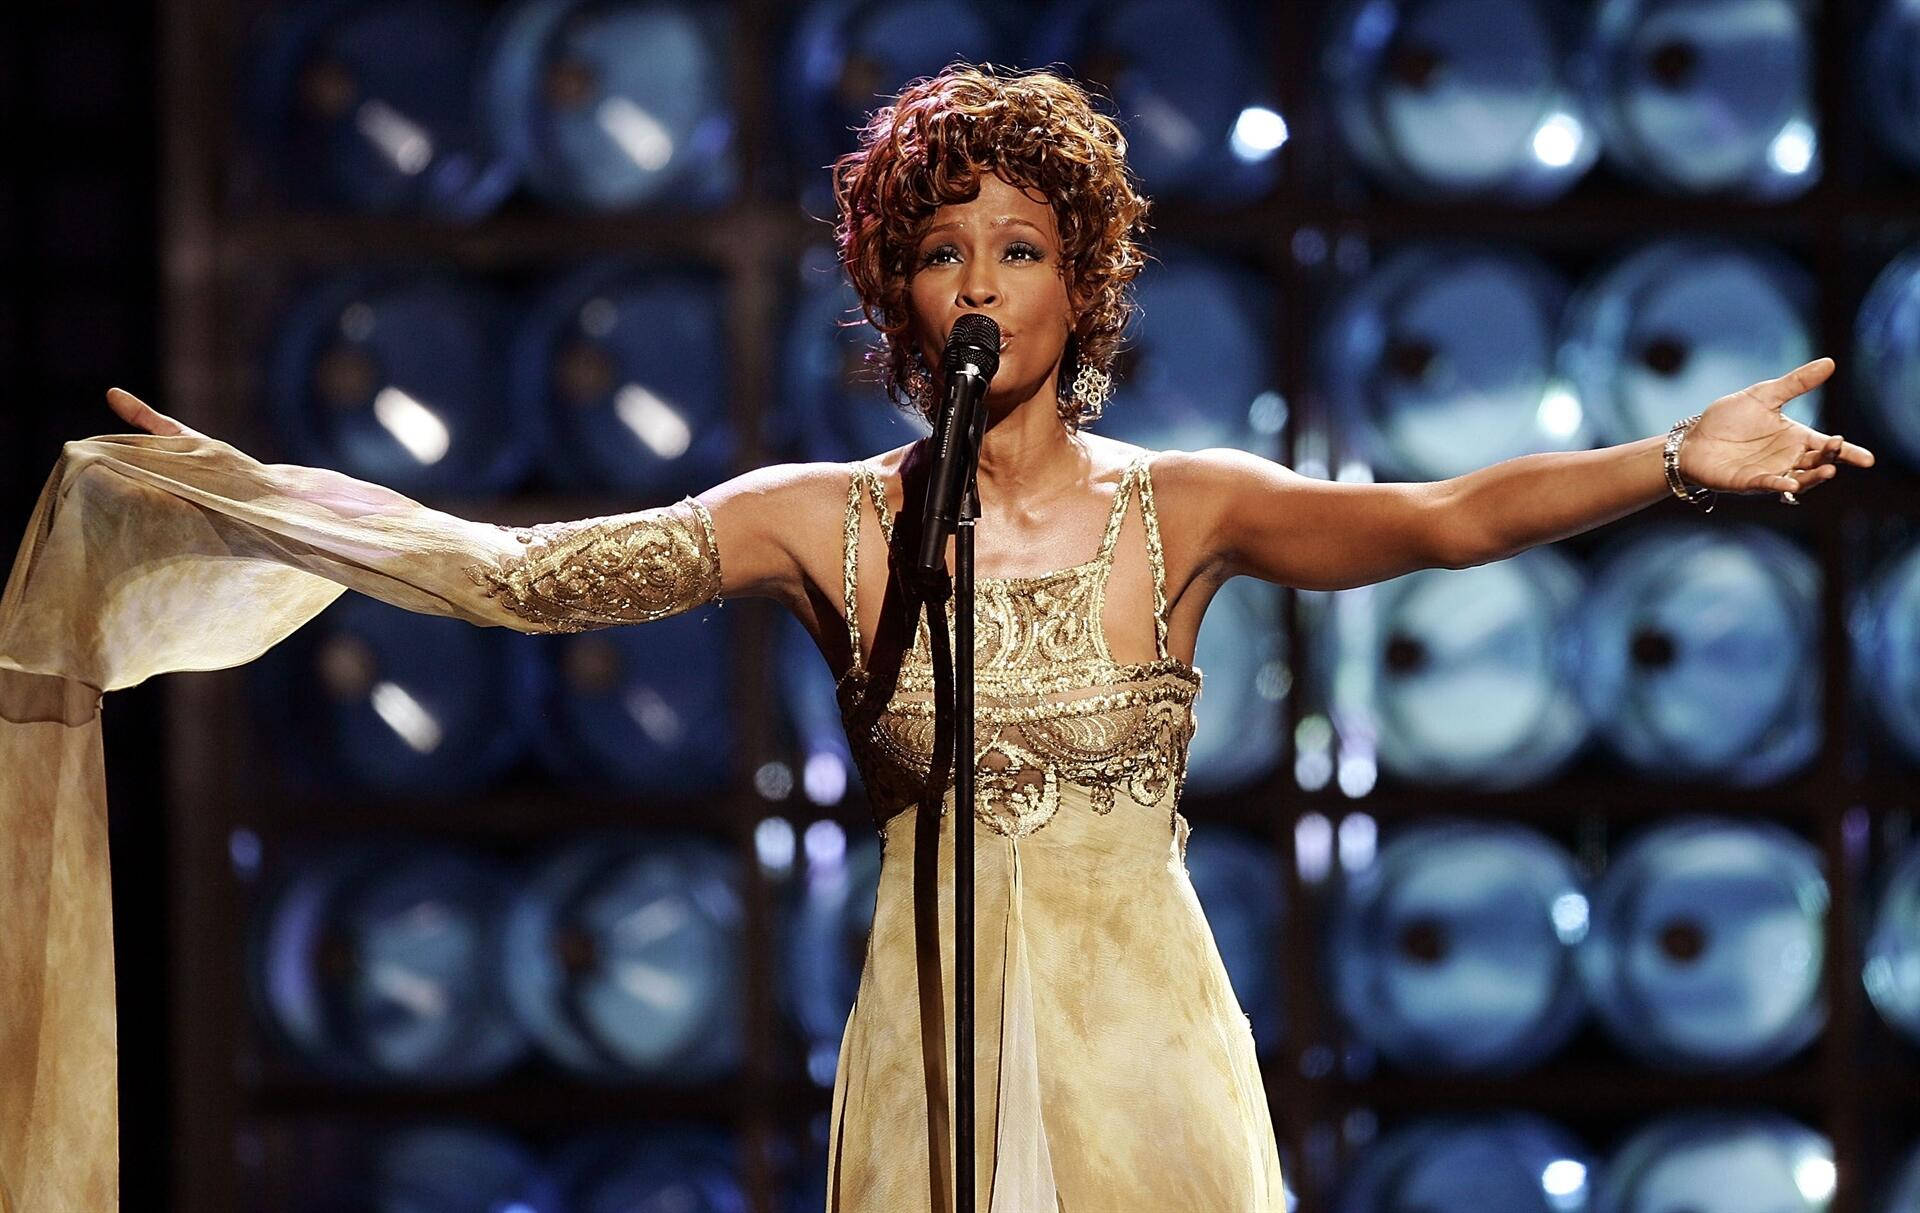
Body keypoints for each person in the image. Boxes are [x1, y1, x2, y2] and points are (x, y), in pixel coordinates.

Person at [0, 61, 1875, 1213]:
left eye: (1020, 247)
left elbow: (1444, 516)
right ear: (897, 291)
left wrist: (1671, 461)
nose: (980, 281)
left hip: (1149, 1068)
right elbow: (529, 578)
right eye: (940, 250)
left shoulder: (1185, 506)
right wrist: (258, 495)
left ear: (1085, 276)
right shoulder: (828, 520)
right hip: (933, 1067)